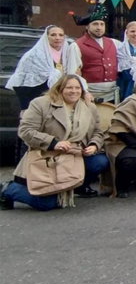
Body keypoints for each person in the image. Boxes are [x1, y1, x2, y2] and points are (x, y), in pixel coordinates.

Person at [1, 75, 108, 211]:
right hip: (47, 155)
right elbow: (25, 130)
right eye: (69, 87)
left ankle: (76, 186)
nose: (74, 91)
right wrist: (53, 143)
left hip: (75, 153)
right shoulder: (41, 104)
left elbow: (98, 131)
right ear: (59, 88)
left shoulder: (89, 108)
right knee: (46, 204)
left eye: (77, 88)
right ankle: (8, 189)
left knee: (100, 161)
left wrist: (94, 145)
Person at [6, 25, 69, 115]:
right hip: (38, 101)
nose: (57, 38)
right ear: (46, 37)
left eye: (61, 35)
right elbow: (22, 82)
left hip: (63, 101)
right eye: (53, 35)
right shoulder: (33, 55)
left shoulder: (68, 54)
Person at [68, 4, 121, 102]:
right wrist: (84, 92)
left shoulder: (115, 43)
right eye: (95, 24)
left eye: (102, 24)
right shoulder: (76, 46)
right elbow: (73, 74)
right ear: (87, 26)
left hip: (113, 94)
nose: (99, 27)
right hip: (89, 95)